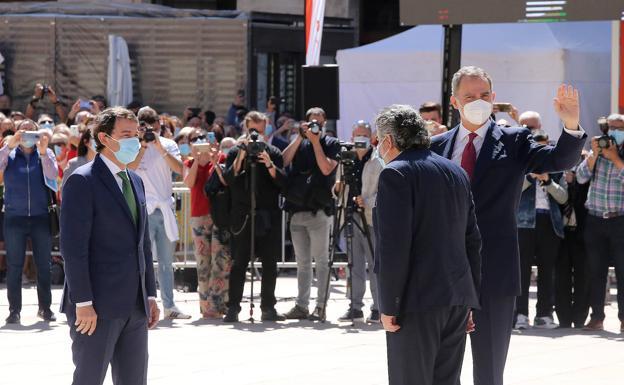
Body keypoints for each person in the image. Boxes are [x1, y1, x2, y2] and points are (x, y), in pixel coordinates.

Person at [430, 66, 585, 385]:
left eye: (484, 95)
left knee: (488, 371)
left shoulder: (514, 140)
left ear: (494, 98)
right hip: (443, 275)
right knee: (441, 371)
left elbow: (557, 161)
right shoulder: (436, 147)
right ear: (454, 102)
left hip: (494, 271)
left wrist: (570, 125)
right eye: (470, 96)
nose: (478, 101)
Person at [374, 105, 481, 385]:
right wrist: (470, 299)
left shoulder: (395, 174)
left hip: (415, 302)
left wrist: (388, 305)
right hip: (456, 297)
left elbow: (393, 248)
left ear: (388, 141)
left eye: (378, 140)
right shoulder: (456, 172)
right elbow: (472, 240)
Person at [60, 107, 160, 385]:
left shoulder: (135, 181)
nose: (135, 141)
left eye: (136, 134)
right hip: (96, 307)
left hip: (136, 306)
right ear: (104, 138)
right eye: (126, 135)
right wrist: (83, 302)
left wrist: (150, 294)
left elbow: (143, 244)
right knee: (89, 379)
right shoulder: (82, 180)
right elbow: (73, 248)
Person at [222, 111, 285, 322]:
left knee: (269, 264)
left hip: (268, 214)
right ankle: (233, 308)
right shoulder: (234, 151)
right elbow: (229, 179)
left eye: (260, 130)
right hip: (243, 215)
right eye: (252, 131)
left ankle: (268, 307)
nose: (256, 135)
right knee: (238, 263)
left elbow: (283, 183)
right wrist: (241, 155)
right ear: (245, 129)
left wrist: (268, 163)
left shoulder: (274, 151)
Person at [128, 106, 189, 320]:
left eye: (153, 128)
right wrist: (143, 147)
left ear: (158, 126)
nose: (149, 132)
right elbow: (129, 168)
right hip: (142, 209)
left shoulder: (169, 144)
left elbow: (180, 169)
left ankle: (170, 306)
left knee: (165, 262)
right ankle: (141, 304)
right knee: (141, 261)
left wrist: (159, 146)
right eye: (144, 128)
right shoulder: (134, 146)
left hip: (163, 210)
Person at [282, 107, 341, 321]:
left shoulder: (331, 144)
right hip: (297, 210)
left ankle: (321, 306)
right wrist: (300, 137)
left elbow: (326, 169)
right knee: (302, 263)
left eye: (318, 120)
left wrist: (316, 142)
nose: (315, 124)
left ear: (325, 122)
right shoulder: (300, 142)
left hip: (319, 211)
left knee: (322, 261)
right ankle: (301, 305)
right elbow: (284, 161)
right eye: (311, 121)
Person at [1, 119, 58, 324]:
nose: (27, 137)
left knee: (44, 265)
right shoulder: (9, 153)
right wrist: (9, 146)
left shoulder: (46, 153)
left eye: (32, 133)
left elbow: (53, 176)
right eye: (23, 133)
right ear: (17, 134)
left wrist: (43, 153)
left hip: (40, 216)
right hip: (14, 216)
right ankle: (14, 310)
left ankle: (45, 308)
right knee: (14, 266)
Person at [515, 129, 569, 330]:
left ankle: (544, 314)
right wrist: (530, 177)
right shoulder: (520, 166)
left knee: (548, 271)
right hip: (523, 223)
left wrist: (548, 181)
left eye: (544, 145)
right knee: (522, 270)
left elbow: (564, 198)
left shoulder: (556, 169)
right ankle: (520, 314)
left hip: (549, 223)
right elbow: (513, 191)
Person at [576, 113, 624, 333]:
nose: (613, 132)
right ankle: (597, 317)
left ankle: (623, 319)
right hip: (595, 219)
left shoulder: (618, 154)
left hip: (619, 220)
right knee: (596, 271)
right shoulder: (597, 151)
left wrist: (615, 157)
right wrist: (595, 154)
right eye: (610, 128)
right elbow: (580, 177)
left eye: (619, 128)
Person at [335, 120, 383, 323]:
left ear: (371, 137)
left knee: (374, 264)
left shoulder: (377, 160)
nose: (360, 139)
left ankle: (378, 307)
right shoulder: (346, 158)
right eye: (357, 135)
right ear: (352, 137)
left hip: (371, 217)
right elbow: (337, 186)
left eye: (364, 134)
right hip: (351, 215)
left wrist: (369, 201)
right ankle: (355, 306)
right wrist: (337, 188)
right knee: (353, 263)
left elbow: (384, 190)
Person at [183, 129, 228, 318]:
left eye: (206, 139)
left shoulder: (222, 158)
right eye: (195, 140)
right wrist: (195, 161)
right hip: (199, 215)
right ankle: (205, 307)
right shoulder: (189, 162)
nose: (200, 143)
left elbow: (226, 181)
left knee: (221, 261)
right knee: (203, 263)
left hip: (219, 214)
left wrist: (213, 159)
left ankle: (219, 305)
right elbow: (189, 182)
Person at [555, 153, 590, 329]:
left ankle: (580, 317)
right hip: (562, 233)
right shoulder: (558, 173)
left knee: (583, 277)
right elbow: (560, 200)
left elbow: (581, 201)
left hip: (581, 234)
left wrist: (574, 182)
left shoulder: (585, 178)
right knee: (561, 277)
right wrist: (566, 183)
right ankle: (563, 318)